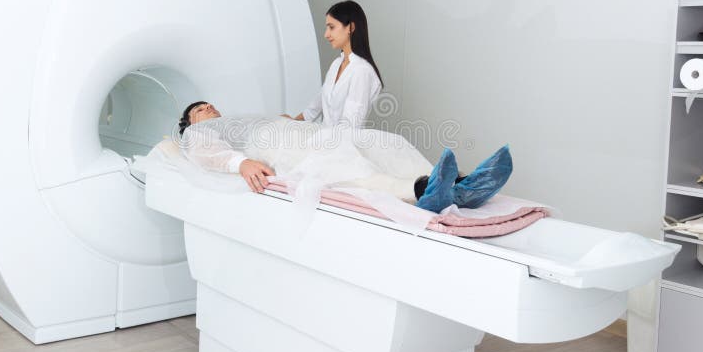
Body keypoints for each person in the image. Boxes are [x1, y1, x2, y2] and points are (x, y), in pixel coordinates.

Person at [177, 101, 513, 213]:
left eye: (209, 105)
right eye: (199, 110)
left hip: (317, 133)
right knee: (351, 170)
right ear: (190, 124)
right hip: (290, 151)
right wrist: (242, 163)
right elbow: (207, 155)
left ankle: (457, 185)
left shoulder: (242, 120)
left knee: (385, 142)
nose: (208, 109)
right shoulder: (201, 136)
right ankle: (426, 189)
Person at [287, 0, 383, 128]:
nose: (326, 34)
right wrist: (290, 122)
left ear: (351, 28)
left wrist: (321, 144)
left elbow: (350, 125)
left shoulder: (362, 70)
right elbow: (314, 108)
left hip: (341, 144)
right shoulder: (336, 64)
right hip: (326, 140)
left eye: (331, 27)